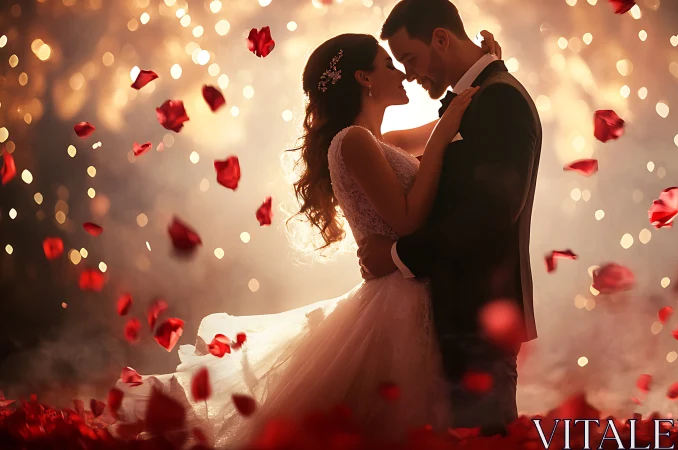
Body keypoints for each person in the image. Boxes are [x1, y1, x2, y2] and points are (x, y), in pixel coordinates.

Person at [111, 29, 505, 448]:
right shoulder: (353, 141)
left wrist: (484, 71)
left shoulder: (373, 141)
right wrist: (443, 139)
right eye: (389, 64)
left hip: (405, 286)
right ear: (363, 78)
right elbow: (407, 220)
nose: (403, 74)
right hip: (398, 299)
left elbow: (446, 122)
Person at [358, 0, 542, 436]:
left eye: (411, 59)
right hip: (457, 314)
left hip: (480, 318)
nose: (409, 74)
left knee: (483, 440)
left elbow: (492, 211)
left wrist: (399, 254)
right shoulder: (477, 96)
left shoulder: (497, 98)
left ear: (441, 38)